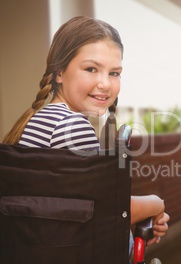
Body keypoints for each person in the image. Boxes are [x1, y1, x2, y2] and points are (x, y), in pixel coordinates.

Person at [2, 16, 169, 245]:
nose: (106, 84)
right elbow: (108, 211)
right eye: (91, 69)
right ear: (59, 72)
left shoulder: (39, 119)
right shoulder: (72, 127)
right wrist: (156, 203)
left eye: (114, 73)